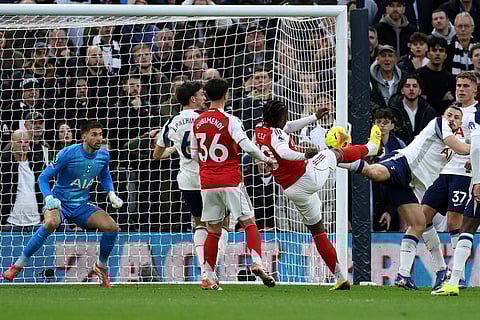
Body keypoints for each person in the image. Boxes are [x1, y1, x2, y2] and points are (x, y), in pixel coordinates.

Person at [255, 99, 382, 290]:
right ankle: (372, 148)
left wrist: (313, 117)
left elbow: (287, 128)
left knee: (318, 231)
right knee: (333, 153)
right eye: (285, 115)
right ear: (279, 117)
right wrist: (305, 155)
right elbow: (283, 151)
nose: (287, 118)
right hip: (307, 177)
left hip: (292, 190)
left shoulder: (261, 129)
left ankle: (340, 278)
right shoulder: (278, 136)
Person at [341, 105, 471, 290]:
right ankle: (337, 157)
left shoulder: (452, 141)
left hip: (411, 182)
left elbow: (463, 151)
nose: (451, 118)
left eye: (456, 117)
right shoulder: (439, 124)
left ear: (460, 123)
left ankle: (405, 274)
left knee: (420, 223)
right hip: (404, 164)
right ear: (443, 115)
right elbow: (462, 148)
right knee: (374, 173)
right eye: (449, 114)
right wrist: (475, 149)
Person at [3, 121, 124, 288]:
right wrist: (48, 198)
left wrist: (111, 193)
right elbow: (43, 178)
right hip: (60, 203)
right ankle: (17, 265)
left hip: (81, 205)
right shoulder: (68, 153)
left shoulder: (104, 155)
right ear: (84, 137)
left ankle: (100, 267)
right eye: (94, 134)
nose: (99, 138)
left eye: (101, 134)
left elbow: (105, 175)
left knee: (112, 227)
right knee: (51, 223)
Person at [190, 78, 275, 290]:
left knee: (212, 230)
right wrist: (266, 159)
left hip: (207, 182)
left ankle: (208, 276)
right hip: (230, 179)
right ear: (226, 94)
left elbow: (193, 153)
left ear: (207, 96)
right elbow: (246, 145)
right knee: (249, 222)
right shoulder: (231, 120)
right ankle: (257, 262)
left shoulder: (197, 122)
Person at [153, 81, 229, 280]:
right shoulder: (205, 119)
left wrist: (172, 150)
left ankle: (204, 269)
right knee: (223, 224)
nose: (205, 98)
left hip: (187, 181)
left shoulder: (172, 121)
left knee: (199, 224)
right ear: (193, 99)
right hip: (209, 178)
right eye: (201, 95)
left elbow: (156, 154)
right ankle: (209, 270)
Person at [419, 71, 478, 291]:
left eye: (465, 85)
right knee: (421, 217)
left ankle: (458, 276)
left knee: (455, 222)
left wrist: (476, 158)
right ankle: (441, 269)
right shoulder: (449, 113)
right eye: (458, 85)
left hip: (465, 174)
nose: (461, 89)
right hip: (444, 172)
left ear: (474, 88)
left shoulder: (477, 112)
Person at [432, 107, 480, 297]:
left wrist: (477, 181)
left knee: (467, 228)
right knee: (466, 228)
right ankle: (453, 282)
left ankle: (453, 283)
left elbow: (476, 148)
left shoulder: (476, 116)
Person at [0, 129, 44, 231]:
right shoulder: (3, 163)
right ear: (12, 143)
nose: (23, 145)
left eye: (26, 142)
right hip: (10, 222)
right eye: (20, 142)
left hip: (36, 222)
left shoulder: (37, 162)